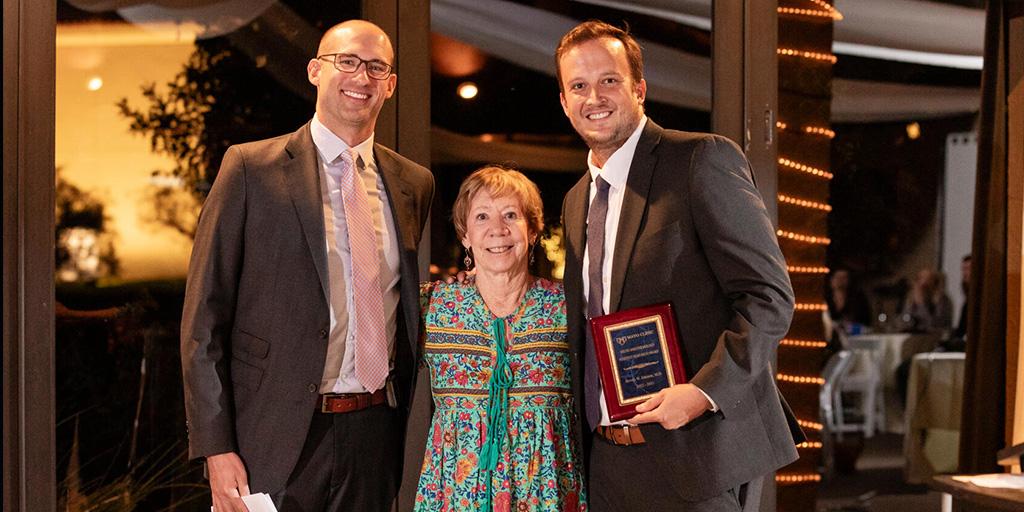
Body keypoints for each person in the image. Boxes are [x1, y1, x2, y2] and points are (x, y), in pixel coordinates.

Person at [180, 20, 434, 511]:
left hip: (373, 435)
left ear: (390, 84)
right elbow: (203, 321)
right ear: (316, 71)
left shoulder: (413, 183)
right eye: (347, 61)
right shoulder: (250, 169)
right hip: (269, 437)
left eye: (376, 67)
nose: (361, 77)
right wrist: (216, 447)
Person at [555, 20, 803, 511]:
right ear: (564, 102)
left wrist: (704, 392)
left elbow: (769, 297)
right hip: (606, 462)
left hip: (697, 456)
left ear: (639, 89)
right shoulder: (576, 199)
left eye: (609, 80)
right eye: (578, 86)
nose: (594, 98)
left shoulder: (699, 160)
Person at [414, 166, 586, 511]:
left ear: (532, 231)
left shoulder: (568, 307)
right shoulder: (431, 306)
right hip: (457, 495)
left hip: (545, 494)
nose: (497, 229)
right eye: (482, 216)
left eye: (511, 215)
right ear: (465, 235)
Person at [900, 268, 953, 334]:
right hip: (913, 336)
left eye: (927, 279)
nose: (922, 283)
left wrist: (921, 304)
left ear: (934, 283)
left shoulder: (942, 299)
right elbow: (905, 320)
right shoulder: (911, 298)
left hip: (934, 337)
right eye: (920, 279)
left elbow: (933, 324)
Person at [825, 268, 873, 333]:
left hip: (855, 336)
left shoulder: (858, 300)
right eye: (838, 277)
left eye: (844, 278)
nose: (840, 281)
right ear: (831, 280)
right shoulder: (825, 300)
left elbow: (867, 324)